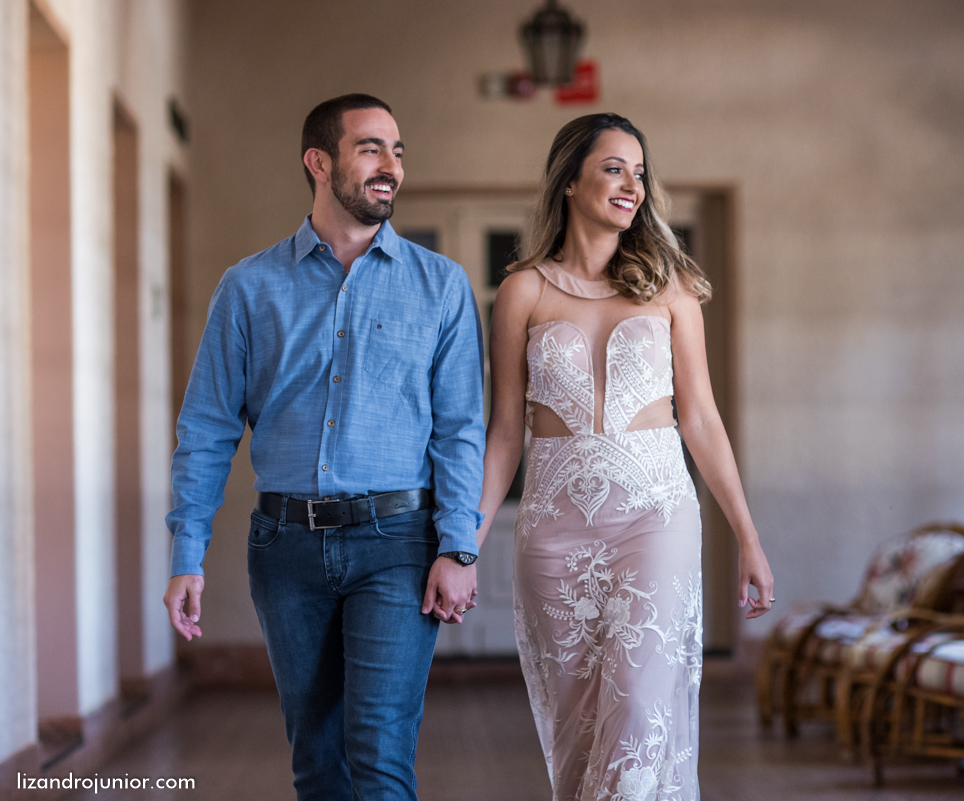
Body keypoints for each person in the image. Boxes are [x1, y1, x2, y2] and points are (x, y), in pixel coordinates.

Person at [162, 93, 485, 801]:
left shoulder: (442, 287)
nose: (391, 167)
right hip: (285, 549)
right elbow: (208, 426)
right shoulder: (248, 287)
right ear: (319, 162)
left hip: (397, 542)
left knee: (378, 750)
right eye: (371, 148)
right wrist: (187, 552)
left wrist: (459, 545)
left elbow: (461, 428)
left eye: (398, 151)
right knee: (316, 758)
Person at [477, 113, 775, 800]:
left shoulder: (670, 289)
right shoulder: (522, 289)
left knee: (640, 713)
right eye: (614, 167)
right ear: (570, 180)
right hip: (555, 529)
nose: (632, 184)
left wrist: (748, 538)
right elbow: (503, 433)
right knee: (578, 726)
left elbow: (700, 419)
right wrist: (466, 544)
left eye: (640, 172)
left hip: (655, 517)